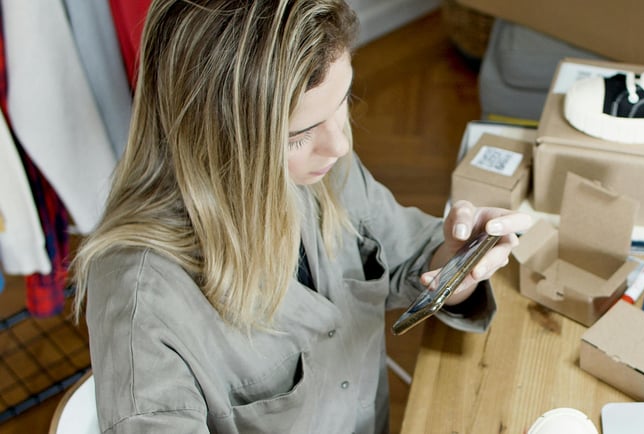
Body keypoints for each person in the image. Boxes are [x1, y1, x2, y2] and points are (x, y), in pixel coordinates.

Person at [70, 0, 531, 432]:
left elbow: (409, 252)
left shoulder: (322, 169)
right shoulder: (143, 301)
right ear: (214, 137)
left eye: (343, 103)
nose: (341, 145)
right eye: (299, 134)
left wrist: (453, 265)